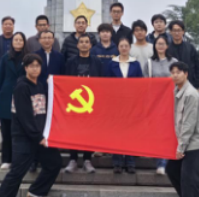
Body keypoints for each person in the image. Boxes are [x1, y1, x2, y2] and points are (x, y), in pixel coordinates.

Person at [0, 54, 63, 197]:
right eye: (32, 66)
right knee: (16, 174)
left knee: (54, 162)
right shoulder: (22, 86)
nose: (35, 68)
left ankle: (35, 193)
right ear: (26, 68)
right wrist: (38, 137)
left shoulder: (39, 85)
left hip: (38, 136)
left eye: (38, 66)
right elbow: (25, 116)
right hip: (24, 138)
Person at [167, 61, 199, 197]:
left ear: (185, 74)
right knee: (172, 169)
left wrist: (181, 147)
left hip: (196, 144)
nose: (175, 75)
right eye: (172, 72)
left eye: (178, 72)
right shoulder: (176, 91)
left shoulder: (191, 94)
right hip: (185, 141)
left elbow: (188, 124)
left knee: (190, 181)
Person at [64, 34, 103, 175]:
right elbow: (65, 81)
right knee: (73, 130)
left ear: (91, 45)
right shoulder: (70, 62)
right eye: (82, 42)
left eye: (87, 42)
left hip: (91, 101)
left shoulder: (97, 62)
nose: (84, 44)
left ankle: (87, 160)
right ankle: (73, 159)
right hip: (75, 102)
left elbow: (102, 81)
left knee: (89, 131)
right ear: (77, 45)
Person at [143, 36, 179, 176]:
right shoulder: (149, 62)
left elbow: (178, 78)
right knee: (158, 132)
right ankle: (160, 162)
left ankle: (164, 163)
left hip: (170, 101)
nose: (161, 46)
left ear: (167, 46)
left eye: (163, 44)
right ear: (155, 46)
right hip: (155, 102)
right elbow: (145, 82)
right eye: (158, 44)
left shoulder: (173, 62)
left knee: (167, 132)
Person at [107, 38, 143, 174]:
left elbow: (140, 84)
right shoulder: (111, 64)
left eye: (126, 46)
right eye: (121, 46)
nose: (123, 48)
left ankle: (130, 162)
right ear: (118, 48)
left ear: (129, 48)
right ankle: (117, 162)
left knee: (131, 132)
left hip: (132, 103)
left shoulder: (136, 64)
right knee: (116, 132)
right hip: (115, 104)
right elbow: (106, 84)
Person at [31, 30, 65, 173]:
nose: (47, 40)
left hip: (54, 97)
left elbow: (63, 75)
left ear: (53, 40)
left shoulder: (60, 57)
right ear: (39, 40)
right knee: (37, 126)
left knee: (51, 126)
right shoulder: (34, 56)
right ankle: (34, 160)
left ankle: (50, 158)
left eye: (49, 38)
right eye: (44, 38)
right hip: (38, 95)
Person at [0, 33, 29, 170]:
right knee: (6, 130)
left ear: (24, 42)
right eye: (16, 40)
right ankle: (6, 159)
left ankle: (19, 159)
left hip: (23, 96)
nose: (18, 42)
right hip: (6, 96)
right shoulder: (5, 58)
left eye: (21, 40)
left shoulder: (28, 58)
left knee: (21, 131)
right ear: (12, 42)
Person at [168, 21, 199, 90]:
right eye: (174, 30)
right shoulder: (167, 49)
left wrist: (198, 84)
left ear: (183, 31)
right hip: (172, 86)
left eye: (179, 30)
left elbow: (198, 66)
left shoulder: (190, 47)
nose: (177, 33)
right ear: (170, 32)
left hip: (190, 84)